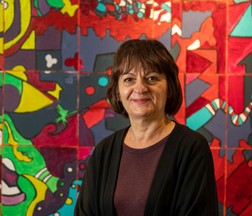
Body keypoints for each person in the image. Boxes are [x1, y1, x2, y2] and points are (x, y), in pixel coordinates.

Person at [74, 39, 219, 216]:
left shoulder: (192, 148)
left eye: (151, 78)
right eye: (129, 79)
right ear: (118, 91)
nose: (140, 88)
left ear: (169, 87)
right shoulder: (104, 152)